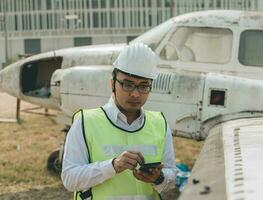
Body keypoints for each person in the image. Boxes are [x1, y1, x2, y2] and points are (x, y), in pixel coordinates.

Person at [61, 43, 177, 200]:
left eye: (144, 86)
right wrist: (112, 166)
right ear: (112, 84)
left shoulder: (160, 124)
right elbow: (70, 179)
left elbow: (172, 178)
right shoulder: (85, 122)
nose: (135, 94)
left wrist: (159, 178)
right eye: (128, 85)